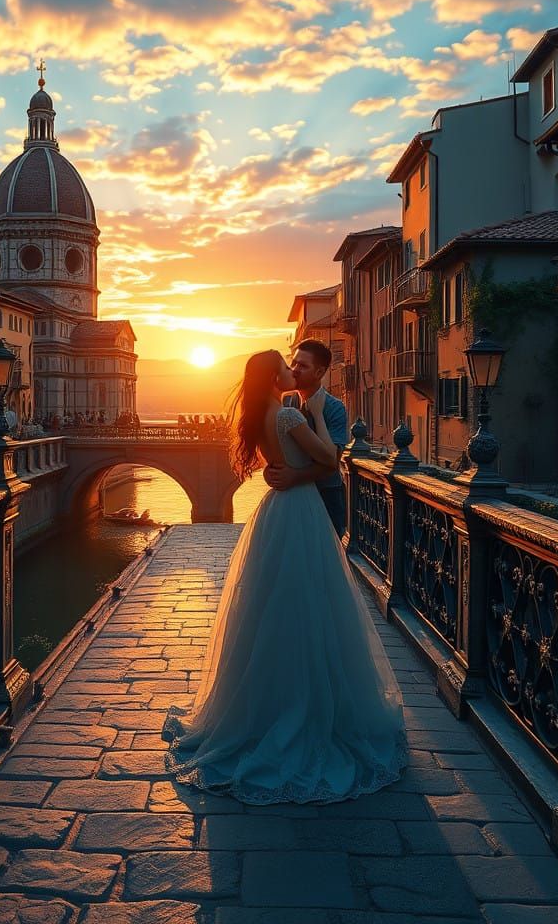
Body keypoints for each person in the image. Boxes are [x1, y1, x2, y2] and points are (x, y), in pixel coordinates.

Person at [162, 349, 407, 805]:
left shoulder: (262, 416)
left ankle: (266, 706)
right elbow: (331, 461)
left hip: (275, 512)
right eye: (285, 365)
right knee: (311, 605)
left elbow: (297, 466)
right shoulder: (291, 417)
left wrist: (291, 471)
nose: (291, 370)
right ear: (275, 374)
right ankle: (308, 708)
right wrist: (310, 431)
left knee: (269, 610)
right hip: (301, 512)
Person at [264, 339, 349, 538]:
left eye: (302, 366)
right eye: (293, 363)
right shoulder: (287, 400)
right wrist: (271, 470)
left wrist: (294, 476)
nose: (294, 370)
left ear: (319, 373)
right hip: (294, 497)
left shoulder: (334, 408)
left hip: (326, 494)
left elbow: (332, 462)